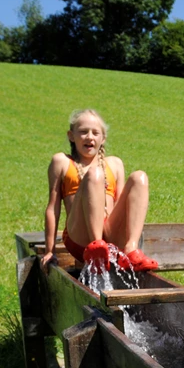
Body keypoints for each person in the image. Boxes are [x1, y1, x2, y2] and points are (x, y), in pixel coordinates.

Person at [42, 108, 157, 273]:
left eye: (95, 133)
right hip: (79, 237)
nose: (89, 137)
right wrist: (49, 250)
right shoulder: (62, 162)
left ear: (103, 138)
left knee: (140, 177)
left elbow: (121, 208)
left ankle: (131, 249)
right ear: (71, 136)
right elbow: (53, 208)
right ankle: (95, 248)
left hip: (109, 235)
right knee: (95, 174)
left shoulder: (115, 165)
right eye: (83, 132)